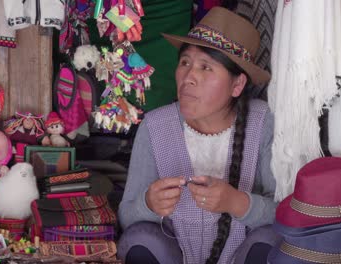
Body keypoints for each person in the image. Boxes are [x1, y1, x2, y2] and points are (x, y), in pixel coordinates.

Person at [117, 7, 279, 264]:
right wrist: (148, 204)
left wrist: (237, 203)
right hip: (174, 256)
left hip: (243, 256)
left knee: (271, 241)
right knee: (139, 239)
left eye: (206, 67)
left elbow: (288, 214)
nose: (189, 77)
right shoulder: (155, 126)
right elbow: (126, 216)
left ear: (237, 85)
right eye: (185, 63)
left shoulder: (263, 122)